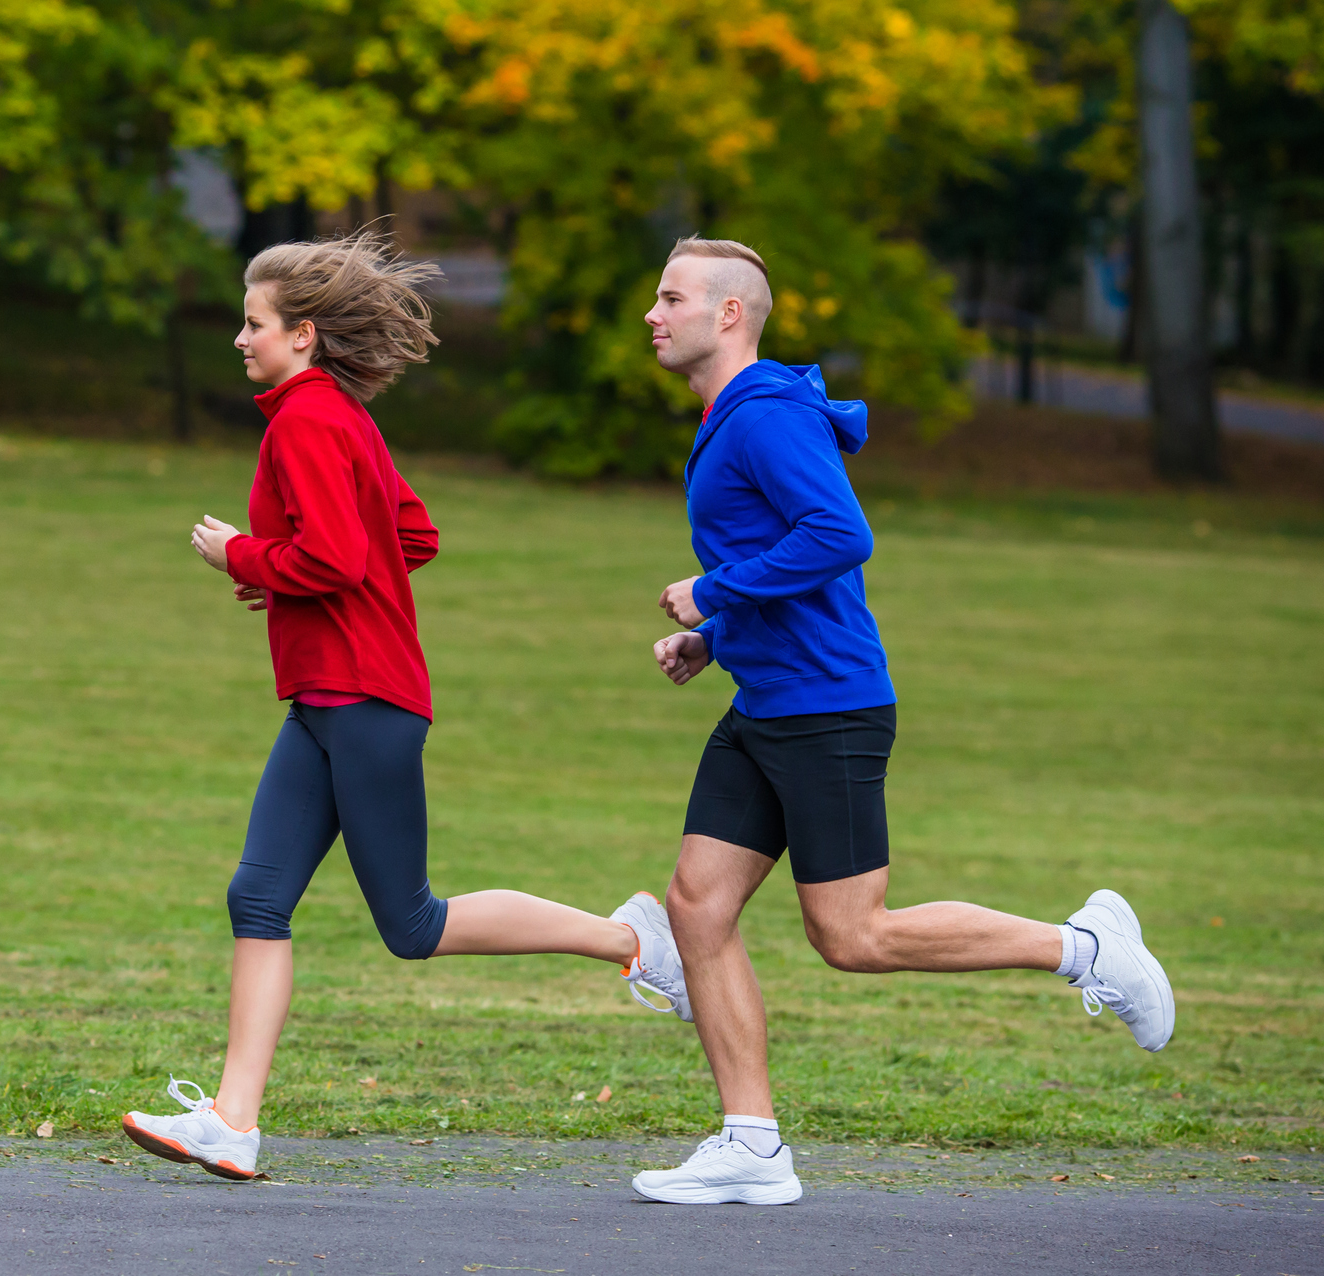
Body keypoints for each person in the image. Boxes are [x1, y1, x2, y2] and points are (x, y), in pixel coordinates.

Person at [120, 230, 689, 1181]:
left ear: (302, 335)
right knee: (257, 895)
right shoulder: (340, 415)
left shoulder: (305, 420)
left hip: (364, 697)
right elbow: (408, 535)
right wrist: (293, 577)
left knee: (412, 924)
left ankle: (630, 937)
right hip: (326, 696)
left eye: (252, 324)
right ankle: (232, 1120)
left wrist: (248, 559)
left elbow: (343, 558)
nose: (239, 339)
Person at [630, 237, 1175, 1205]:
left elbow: (841, 536)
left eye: (671, 299)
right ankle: (750, 1144)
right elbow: (786, 551)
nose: (652, 315)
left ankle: (1086, 950)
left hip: (826, 709)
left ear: (728, 315)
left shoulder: (763, 417)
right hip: (769, 700)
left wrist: (712, 589)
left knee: (855, 936)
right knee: (698, 906)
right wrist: (717, 634)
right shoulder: (737, 416)